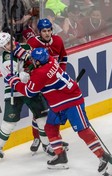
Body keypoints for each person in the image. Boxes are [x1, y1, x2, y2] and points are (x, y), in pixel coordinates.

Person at [4, 47, 110, 171]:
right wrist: (14, 47)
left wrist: (14, 81)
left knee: (83, 131)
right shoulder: (50, 60)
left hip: (72, 102)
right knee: (50, 127)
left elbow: (29, 91)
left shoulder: (40, 73)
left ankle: (103, 156)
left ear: (38, 62)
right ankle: (60, 155)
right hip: (58, 103)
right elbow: (31, 60)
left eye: (34, 60)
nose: (31, 61)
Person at [0, 32, 54, 161]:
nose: (10, 45)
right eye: (6, 45)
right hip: (14, 92)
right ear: (3, 48)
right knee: (9, 123)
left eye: (10, 41)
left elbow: (37, 61)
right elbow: (12, 78)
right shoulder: (5, 59)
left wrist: (28, 61)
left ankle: (47, 145)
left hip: (31, 88)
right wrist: (21, 76)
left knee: (42, 118)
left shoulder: (25, 47)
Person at [27, 18, 68, 151]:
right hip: (39, 83)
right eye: (44, 31)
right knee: (38, 113)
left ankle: (55, 138)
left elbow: (64, 57)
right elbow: (28, 63)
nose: (47, 33)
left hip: (54, 83)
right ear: (39, 32)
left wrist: (60, 74)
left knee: (54, 111)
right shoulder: (32, 43)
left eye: (49, 30)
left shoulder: (58, 41)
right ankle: (37, 138)